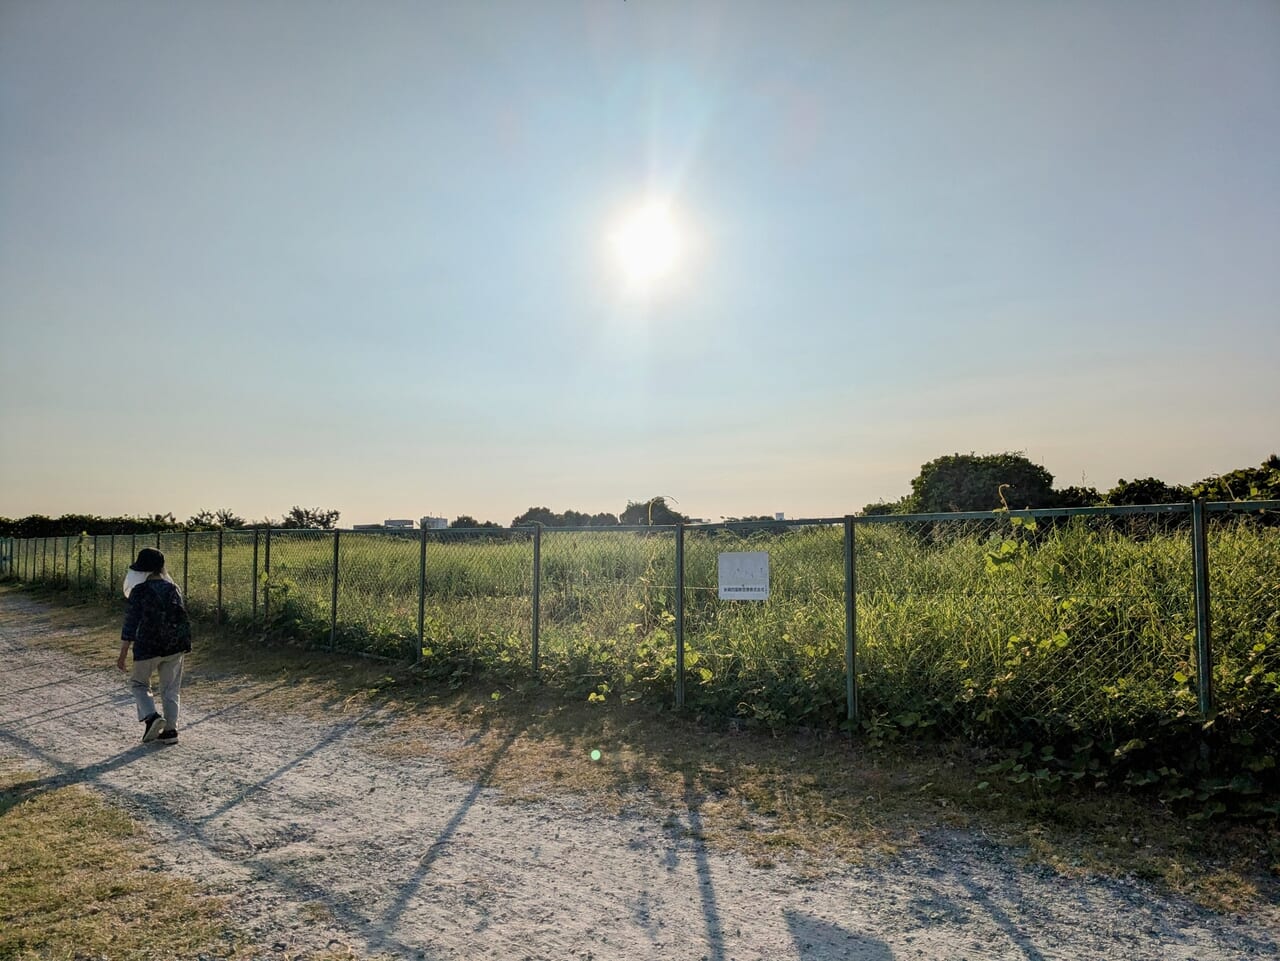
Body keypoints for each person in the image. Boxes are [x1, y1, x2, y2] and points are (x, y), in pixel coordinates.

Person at [118, 547, 192, 744]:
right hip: (174, 646)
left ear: (142, 569)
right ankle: (171, 731)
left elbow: (130, 623)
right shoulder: (173, 589)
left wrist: (123, 653)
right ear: (161, 567)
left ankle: (151, 717)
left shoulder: (139, 591)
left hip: (147, 646)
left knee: (139, 683)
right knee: (170, 688)